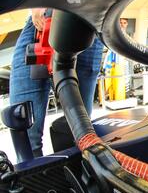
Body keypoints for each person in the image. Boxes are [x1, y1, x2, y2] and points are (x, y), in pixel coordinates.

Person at [9, 8, 104, 157]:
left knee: (81, 128)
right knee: (26, 133)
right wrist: (38, 3)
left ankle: (80, 171)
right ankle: (33, 176)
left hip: (89, 21)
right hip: (43, 21)